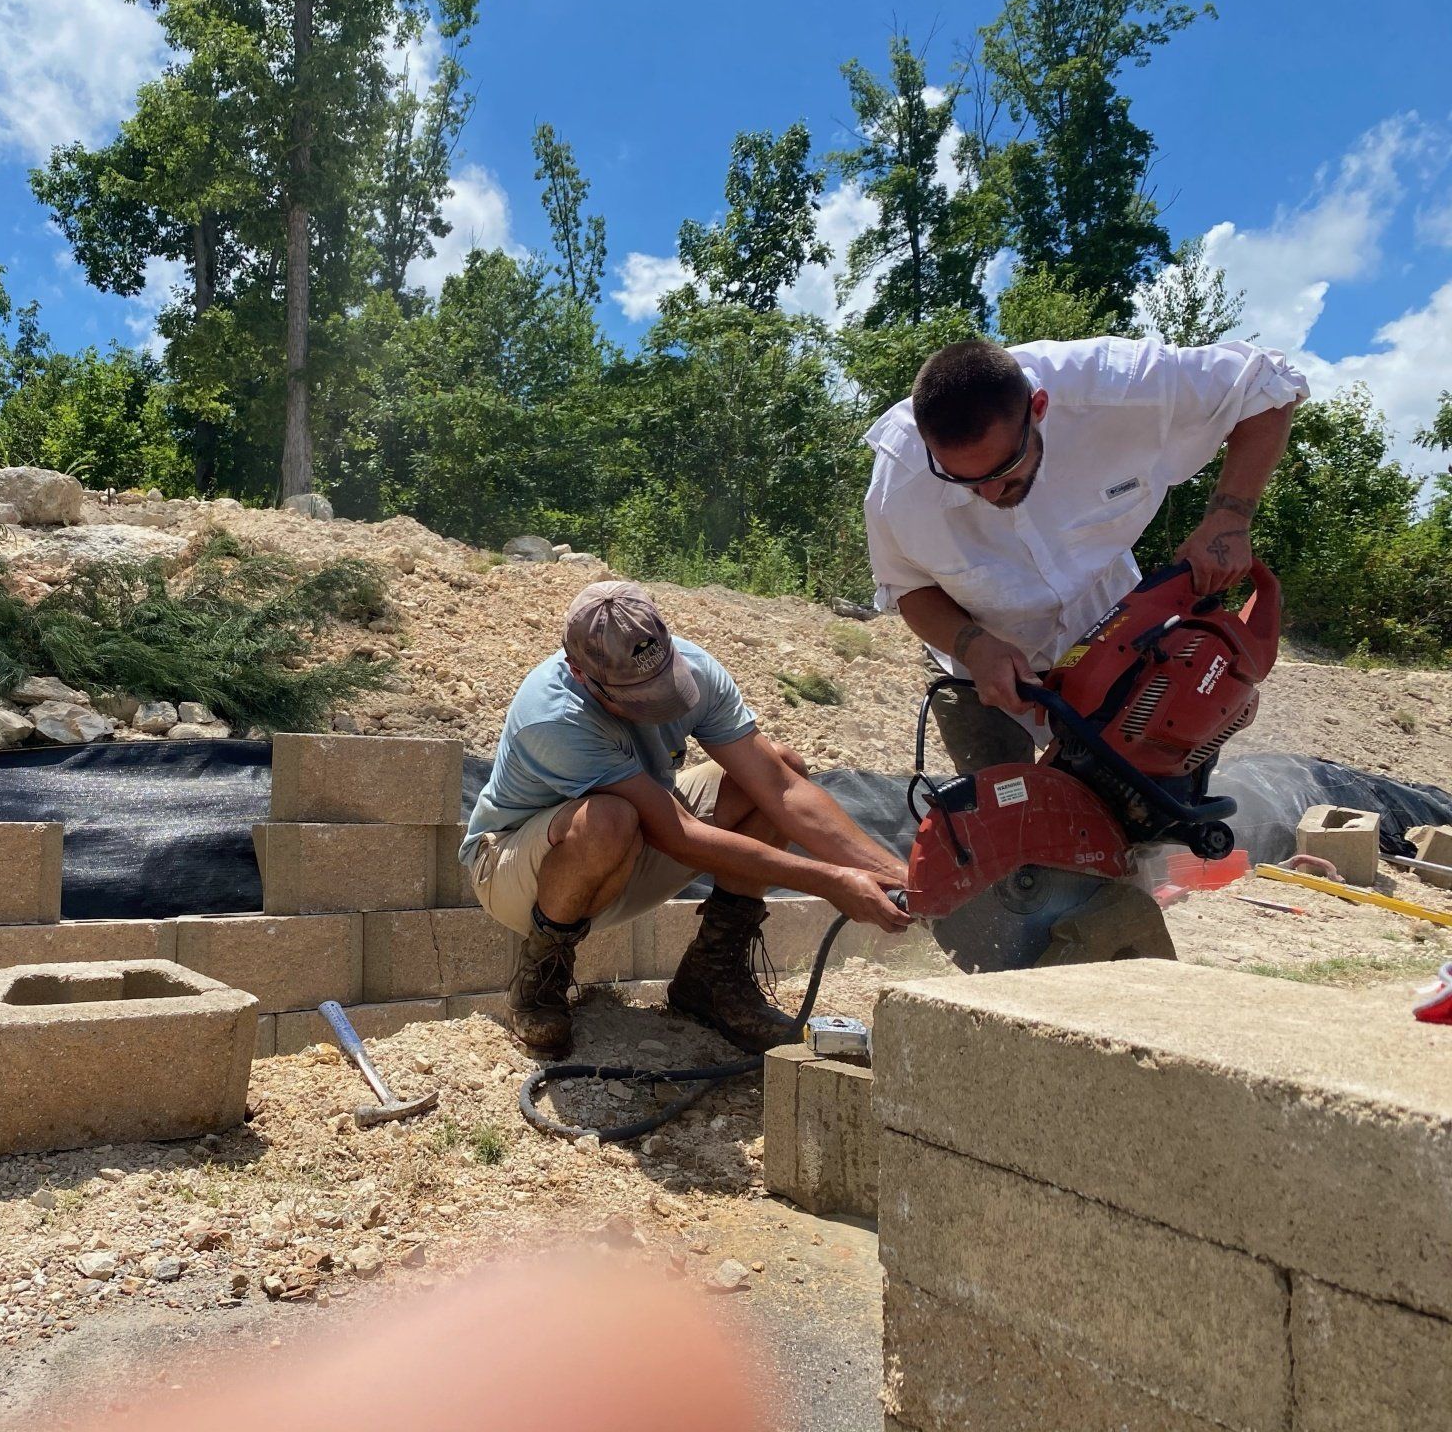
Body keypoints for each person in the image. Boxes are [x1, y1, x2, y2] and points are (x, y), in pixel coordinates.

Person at [461, 581, 910, 1057]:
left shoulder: (697, 667)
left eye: (663, 687)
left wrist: (896, 875)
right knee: (608, 818)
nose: (656, 707)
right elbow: (681, 836)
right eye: (636, 698)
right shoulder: (553, 716)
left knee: (780, 767)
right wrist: (833, 881)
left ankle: (712, 978)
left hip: (636, 842)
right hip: (514, 871)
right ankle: (541, 980)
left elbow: (783, 790)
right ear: (579, 672)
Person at [863, 336, 1307, 773]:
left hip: (1120, 639)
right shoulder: (897, 488)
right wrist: (973, 646)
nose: (989, 491)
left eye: (1002, 468)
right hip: (981, 670)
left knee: (1148, 801)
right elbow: (909, 586)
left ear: (1038, 409)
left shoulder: (1116, 385)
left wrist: (1230, 516)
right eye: (962, 479)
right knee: (1002, 815)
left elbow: (1266, 384)